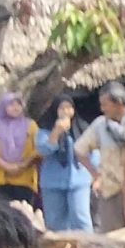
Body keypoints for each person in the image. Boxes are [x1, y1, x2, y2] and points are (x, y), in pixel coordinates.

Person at [77, 82, 125, 231]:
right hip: (110, 189)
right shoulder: (100, 125)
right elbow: (79, 150)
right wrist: (95, 174)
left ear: (119, 103)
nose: (102, 109)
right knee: (112, 239)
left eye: (105, 104)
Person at [35, 94, 94, 233]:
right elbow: (43, 150)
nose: (66, 112)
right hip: (52, 181)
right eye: (62, 108)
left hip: (79, 179)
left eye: (69, 108)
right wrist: (56, 132)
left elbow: (93, 152)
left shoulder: (82, 127)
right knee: (54, 221)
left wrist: (96, 174)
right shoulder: (44, 128)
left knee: (81, 217)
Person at [0, 89, 40, 209]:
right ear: (3, 106)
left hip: (24, 180)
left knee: (23, 216)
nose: (15, 107)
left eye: (18, 104)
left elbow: (39, 150)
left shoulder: (31, 126)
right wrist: (7, 167)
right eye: (11, 104)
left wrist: (23, 165)